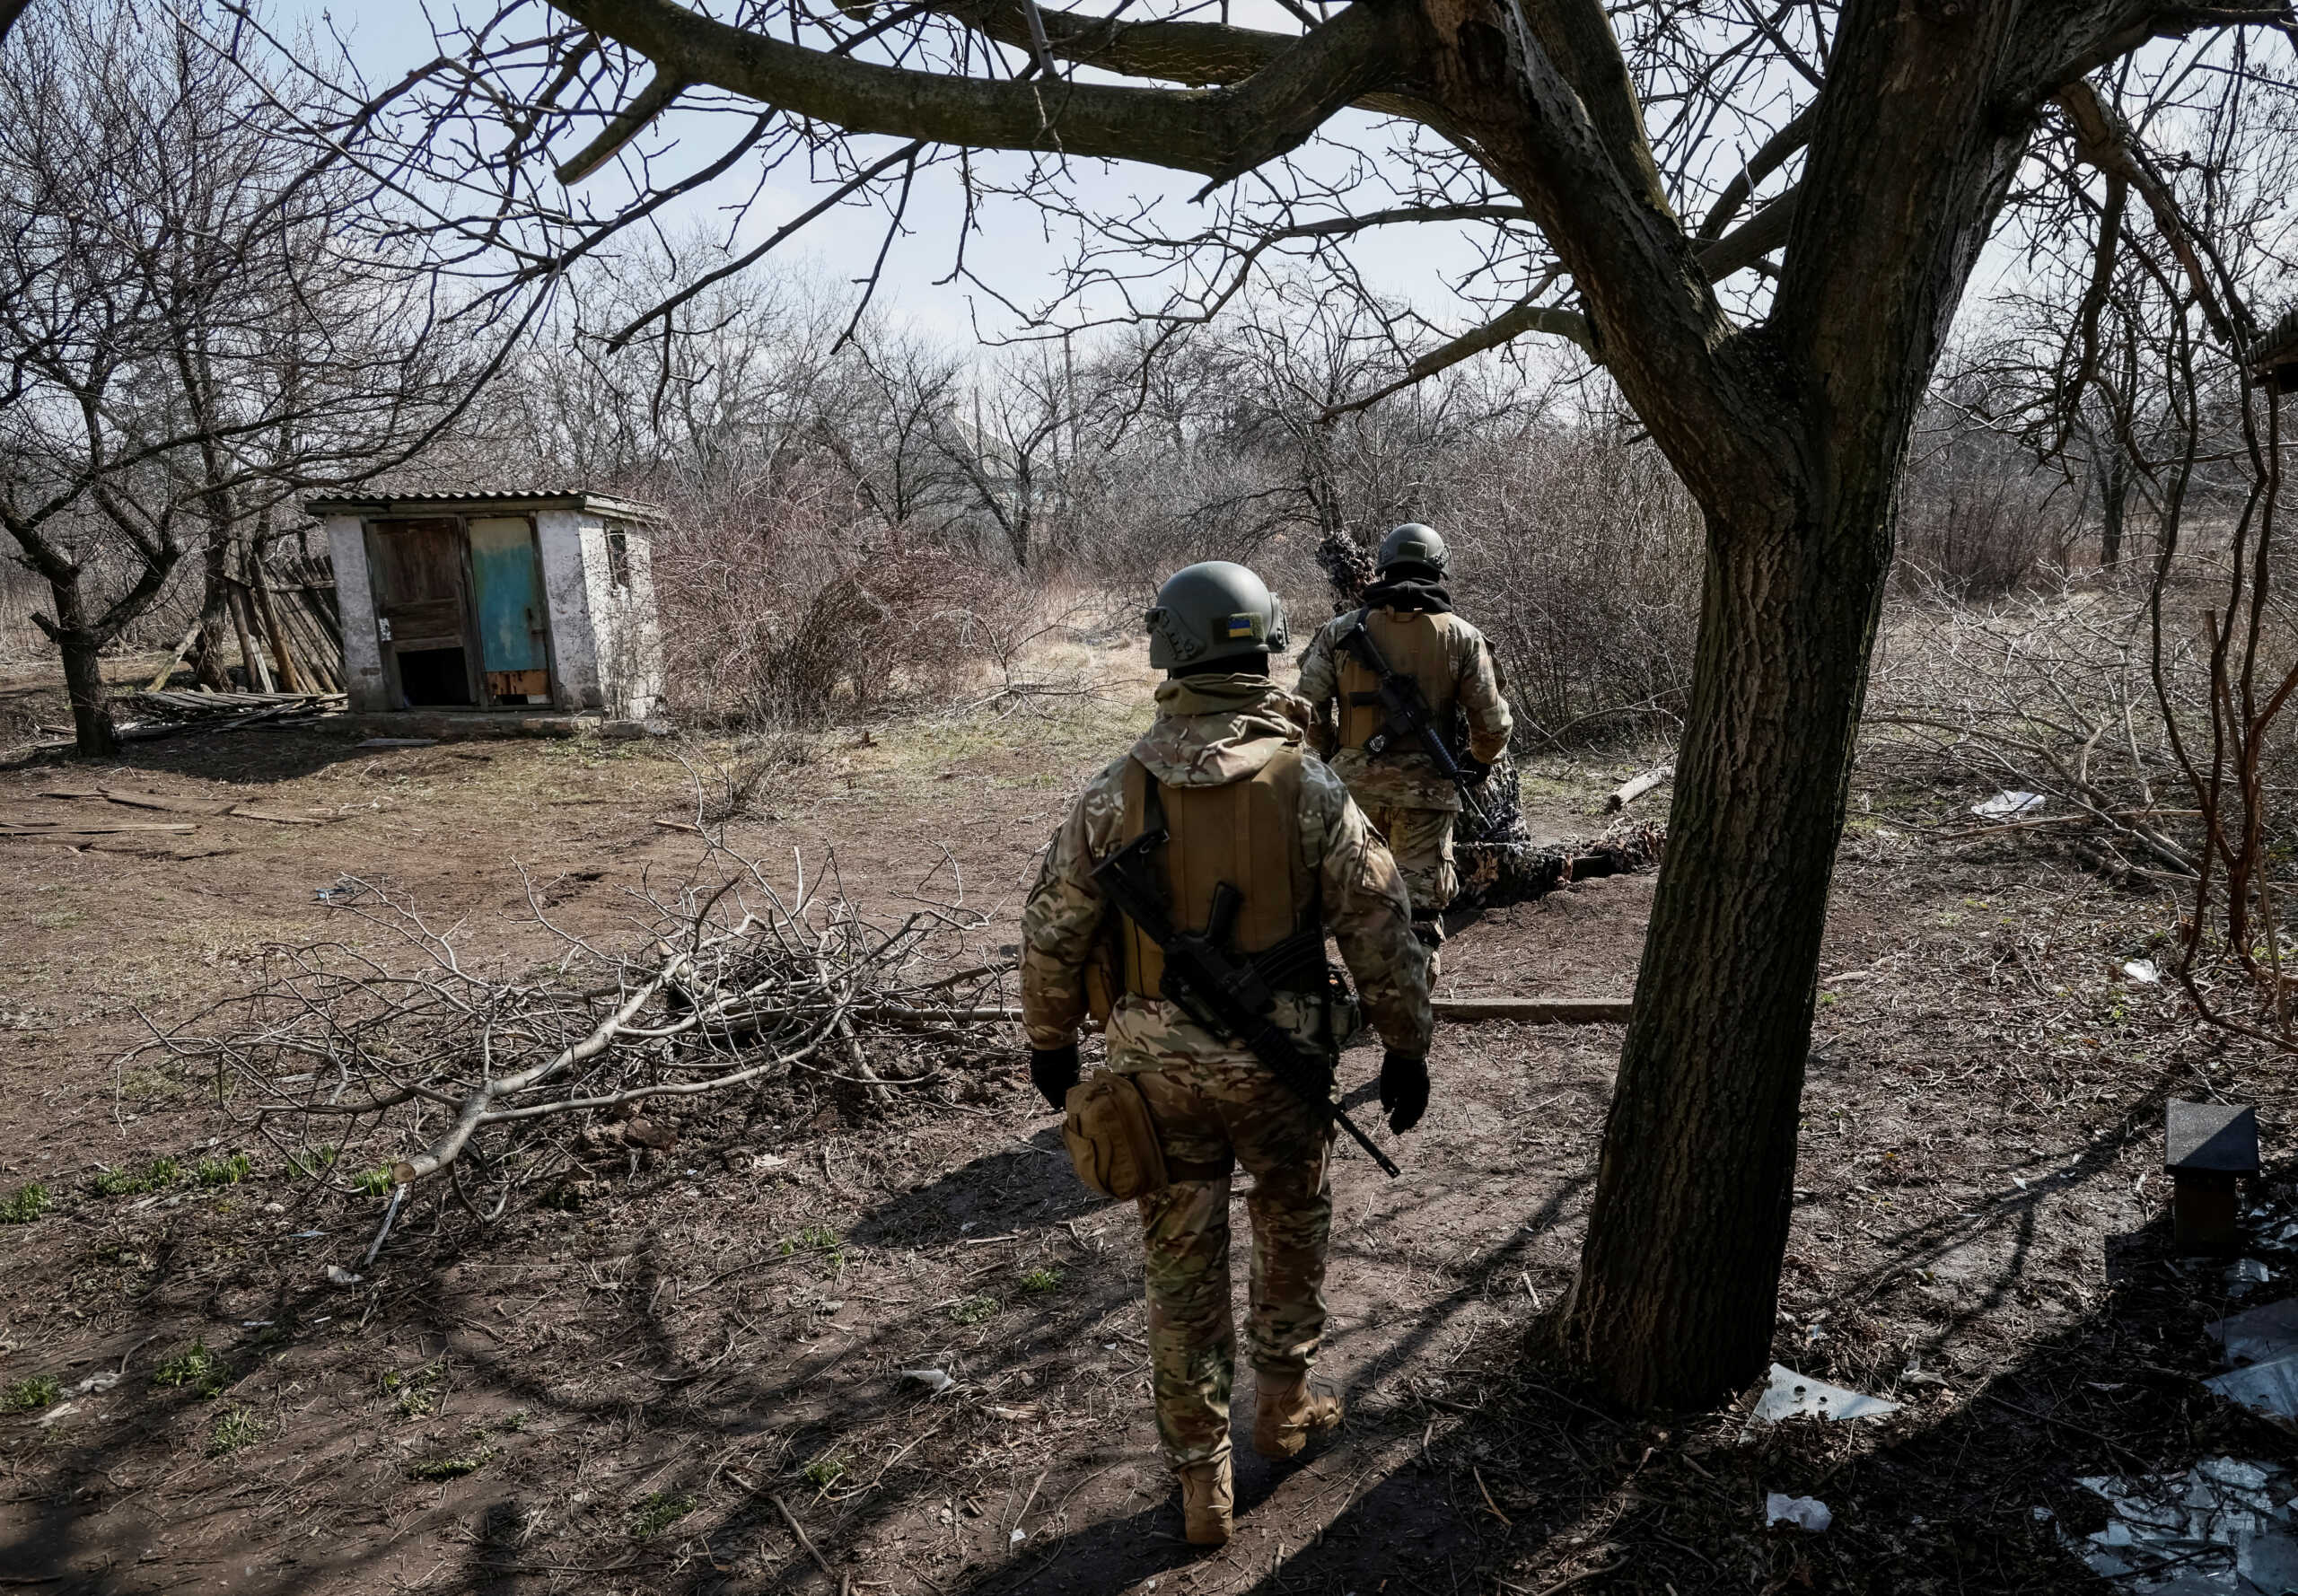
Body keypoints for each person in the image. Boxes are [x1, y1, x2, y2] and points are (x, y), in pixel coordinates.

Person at [1019, 559, 1435, 1548]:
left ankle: (1201, 1481)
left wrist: (1047, 1041)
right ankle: (1284, 1409)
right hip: (1282, 1072)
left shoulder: (1111, 791)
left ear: (1172, 647)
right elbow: (1380, 924)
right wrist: (1407, 1045)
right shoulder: (1311, 786)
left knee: (1179, 1269)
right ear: (1265, 648)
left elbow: (1050, 932)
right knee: (1292, 1227)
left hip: (1153, 1078)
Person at [1294, 523, 1513, 949]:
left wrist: (1329, 751)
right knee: (1418, 918)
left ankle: (1365, 1001)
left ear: (1384, 567)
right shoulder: (1462, 637)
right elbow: (1492, 723)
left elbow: (1306, 708)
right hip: (1426, 798)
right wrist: (1480, 761)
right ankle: (1410, 1009)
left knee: (1356, 907)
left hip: (1350, 795)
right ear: (1440, 569)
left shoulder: (1338, 631)